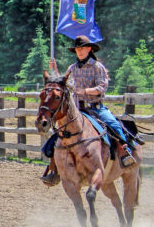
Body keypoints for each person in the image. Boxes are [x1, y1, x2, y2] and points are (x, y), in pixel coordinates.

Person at [41, 35, 136, 186]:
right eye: (77, 49)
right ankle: (54, 168)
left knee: (114, 125)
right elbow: (63, 85)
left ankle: (125, 153)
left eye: (82, 48)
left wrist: (83, 91)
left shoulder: (97, 67)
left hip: (96, 109)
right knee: (59, 134)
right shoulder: (72, 68)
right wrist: (56, 71)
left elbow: (101, 88)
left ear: (89, 49)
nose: (79, 51)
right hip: (77, 111)